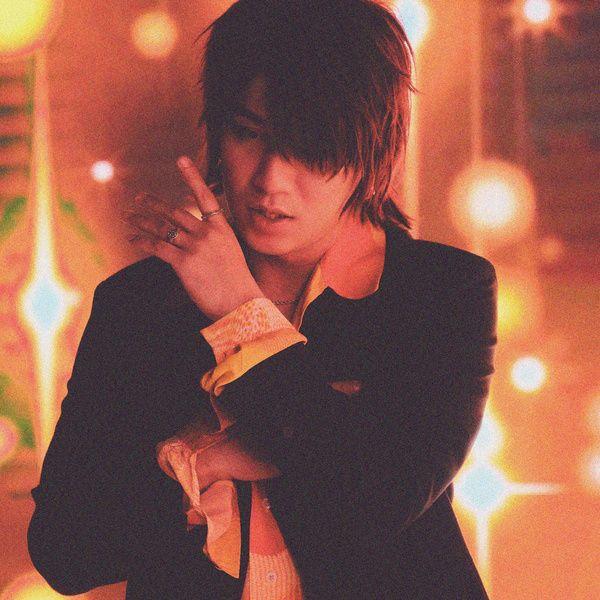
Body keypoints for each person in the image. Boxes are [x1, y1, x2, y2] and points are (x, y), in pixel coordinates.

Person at [28, 1, 497, 599]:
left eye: (310, 145)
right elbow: (65, 550)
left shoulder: (439, 292)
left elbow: (373, 507)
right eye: (248, 133)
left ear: (371, 148)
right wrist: (204, 461)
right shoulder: (139, 305)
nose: (271, 179)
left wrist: (241, 316)